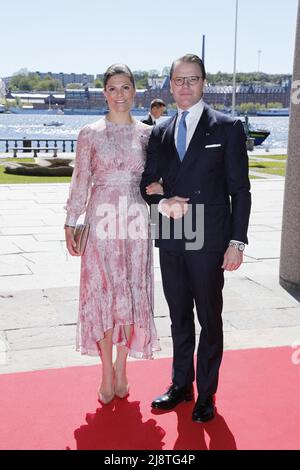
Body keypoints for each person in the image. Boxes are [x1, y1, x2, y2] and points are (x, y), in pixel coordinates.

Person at [141, 54, 251, 422]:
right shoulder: (160, 131)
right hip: (172, 229)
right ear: (170, 86)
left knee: (209, 316)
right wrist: (161, 198)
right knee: (177, 316)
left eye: (193, 79)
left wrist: (237, 242)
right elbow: (147, 184)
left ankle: (207, 394)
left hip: (210, 234)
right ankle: (181, 385)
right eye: (179, 80)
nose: (185, 86)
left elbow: (241, 190)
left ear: (204, 83)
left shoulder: (228, 127)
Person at [64, 64, 162, 405]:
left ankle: (123, 367)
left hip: (135, 219)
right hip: (100, 219)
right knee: (102, 294)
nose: (119, 94)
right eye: (112, 88)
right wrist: (70, 220)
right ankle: (106, 370)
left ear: (135, 91)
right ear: (104, 93)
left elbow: (159, 178)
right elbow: (80, 180)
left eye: (125, 88)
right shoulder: (89, 133)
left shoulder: (149, 135)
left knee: (131, 293)